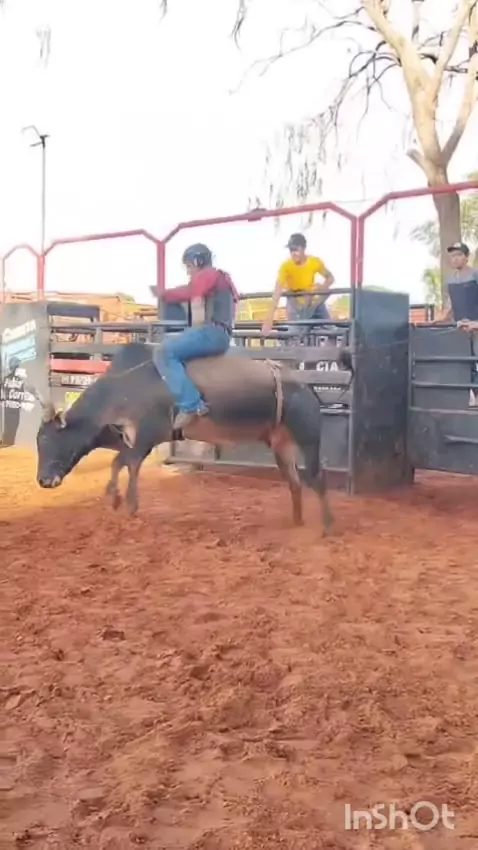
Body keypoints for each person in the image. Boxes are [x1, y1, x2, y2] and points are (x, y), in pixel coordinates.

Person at [154, 243, 238, 430]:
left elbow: (196, 304)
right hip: (221, 335)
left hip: (210, 333)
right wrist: (165, 295)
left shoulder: (205, 276)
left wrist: (193, 330)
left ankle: (191, 405)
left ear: (198, 261)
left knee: (163, 352)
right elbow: (185, 291)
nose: (188, 271)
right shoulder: (218, 278)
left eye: (189, 266)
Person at [261, 233, 335, 338]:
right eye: (291, 250)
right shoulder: (286, 267)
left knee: (332, 332)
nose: (293, 253)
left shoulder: (314, 262)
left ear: (304, 248)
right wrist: (269, 317)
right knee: (294, 335)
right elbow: (278, 289)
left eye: (296, 250)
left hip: (313, 304)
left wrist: (323, 286)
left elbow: (330, 278)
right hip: (296, 306)